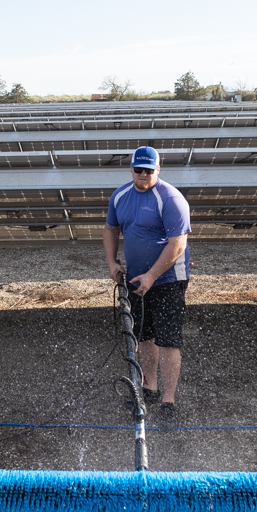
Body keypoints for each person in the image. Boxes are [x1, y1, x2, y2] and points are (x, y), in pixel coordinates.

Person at [103, 146, 191, 411]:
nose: (143, 174)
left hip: (168, 280)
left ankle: (168, 401)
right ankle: (149, 388)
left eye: (149, 170)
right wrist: (111, 262)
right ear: (131, 168)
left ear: (158, 170)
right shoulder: (120, 196)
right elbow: (110, 229)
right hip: (136, 279)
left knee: (168, 340)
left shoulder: (171, 198)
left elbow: (178, 243)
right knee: (143, 337)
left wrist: (153, 275)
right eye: (138, 169)